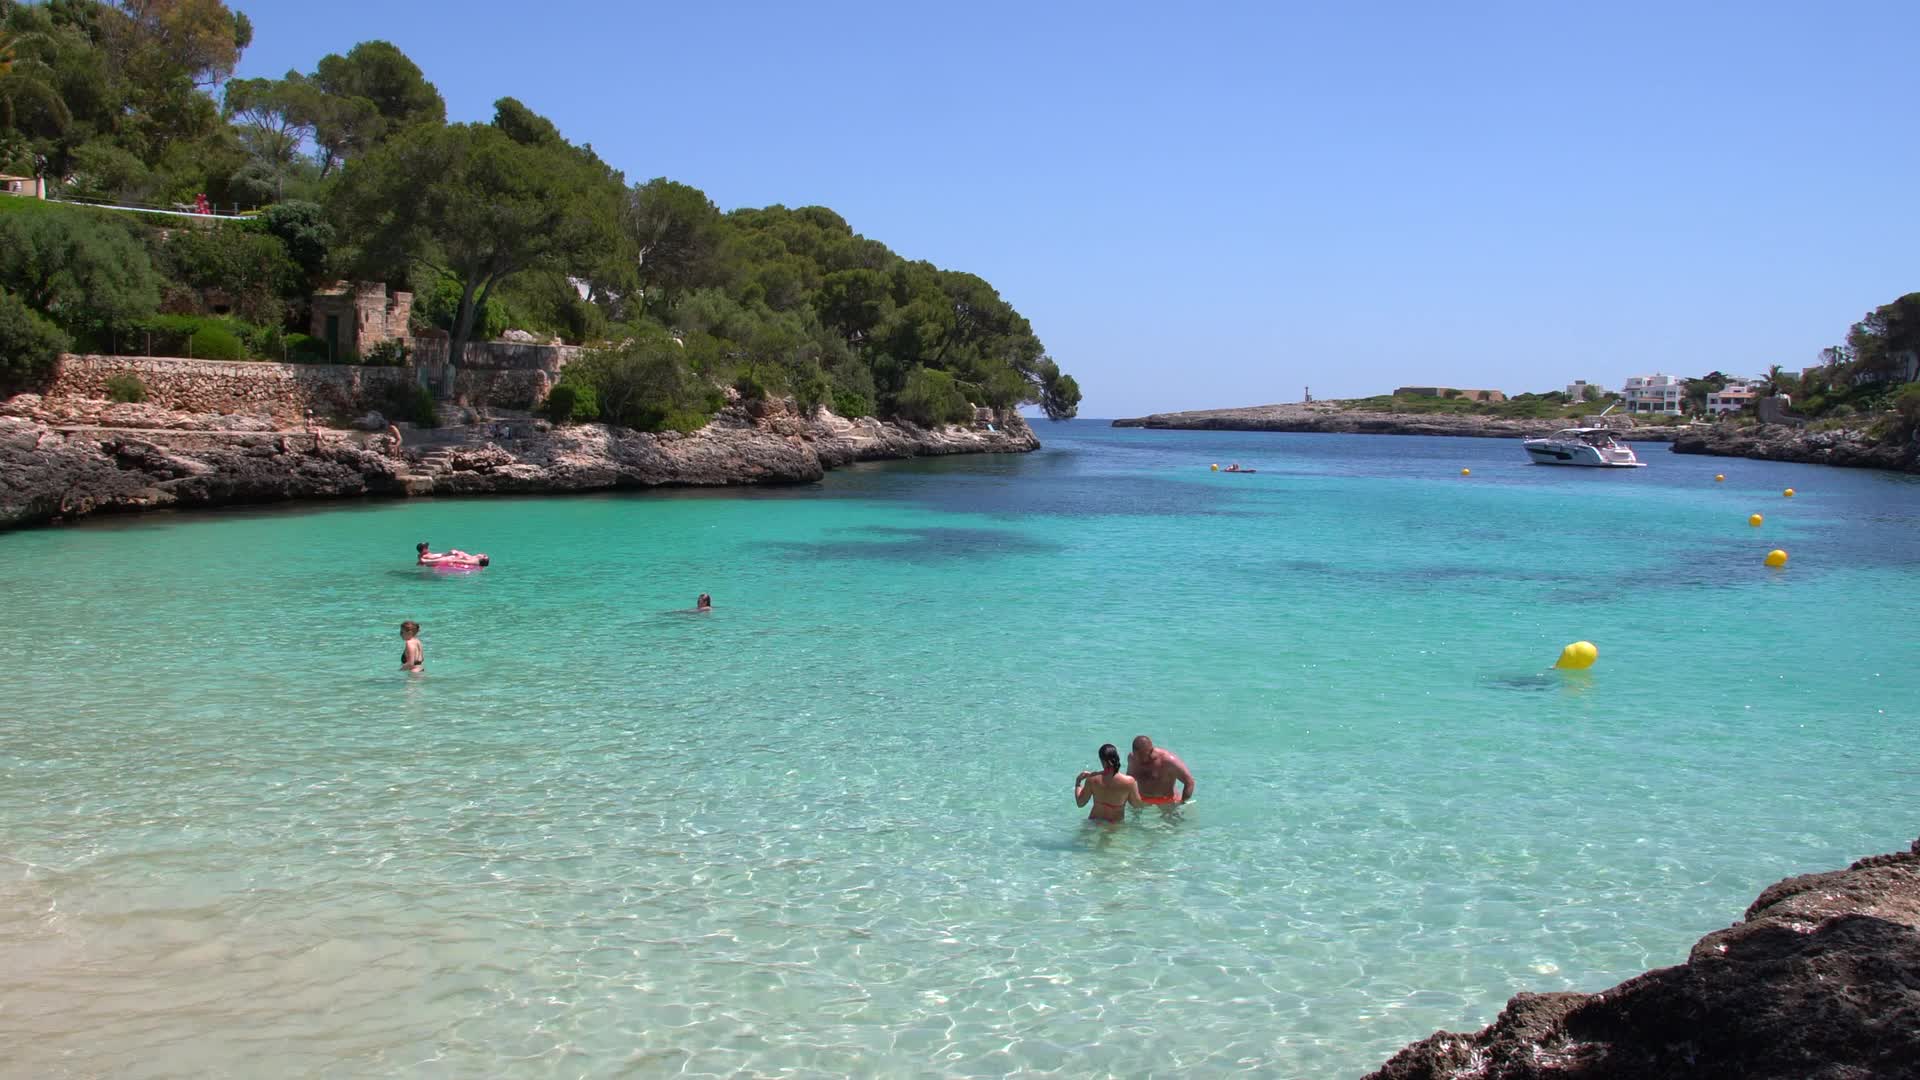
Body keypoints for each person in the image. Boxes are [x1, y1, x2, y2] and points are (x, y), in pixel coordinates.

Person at [1075, 743, 1144, 823]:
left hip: (1094, 822)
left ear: (1101, 760)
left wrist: (1078, 782)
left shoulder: (1092, 779)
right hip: (1114, 826)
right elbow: (1137, 805)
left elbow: (1080, 803)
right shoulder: (1129, 782)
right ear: (1117, 758)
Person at [1127, 735, 1196, 805]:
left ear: (1151, 751)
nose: (1139, 760)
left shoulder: (1168, 761)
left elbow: (1189, 782)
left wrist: (1182, 802)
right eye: (1137, 756)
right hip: (1141, 800)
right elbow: (1129, 780)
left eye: (1142, 756)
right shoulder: (1132, 758)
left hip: (1166, 801)